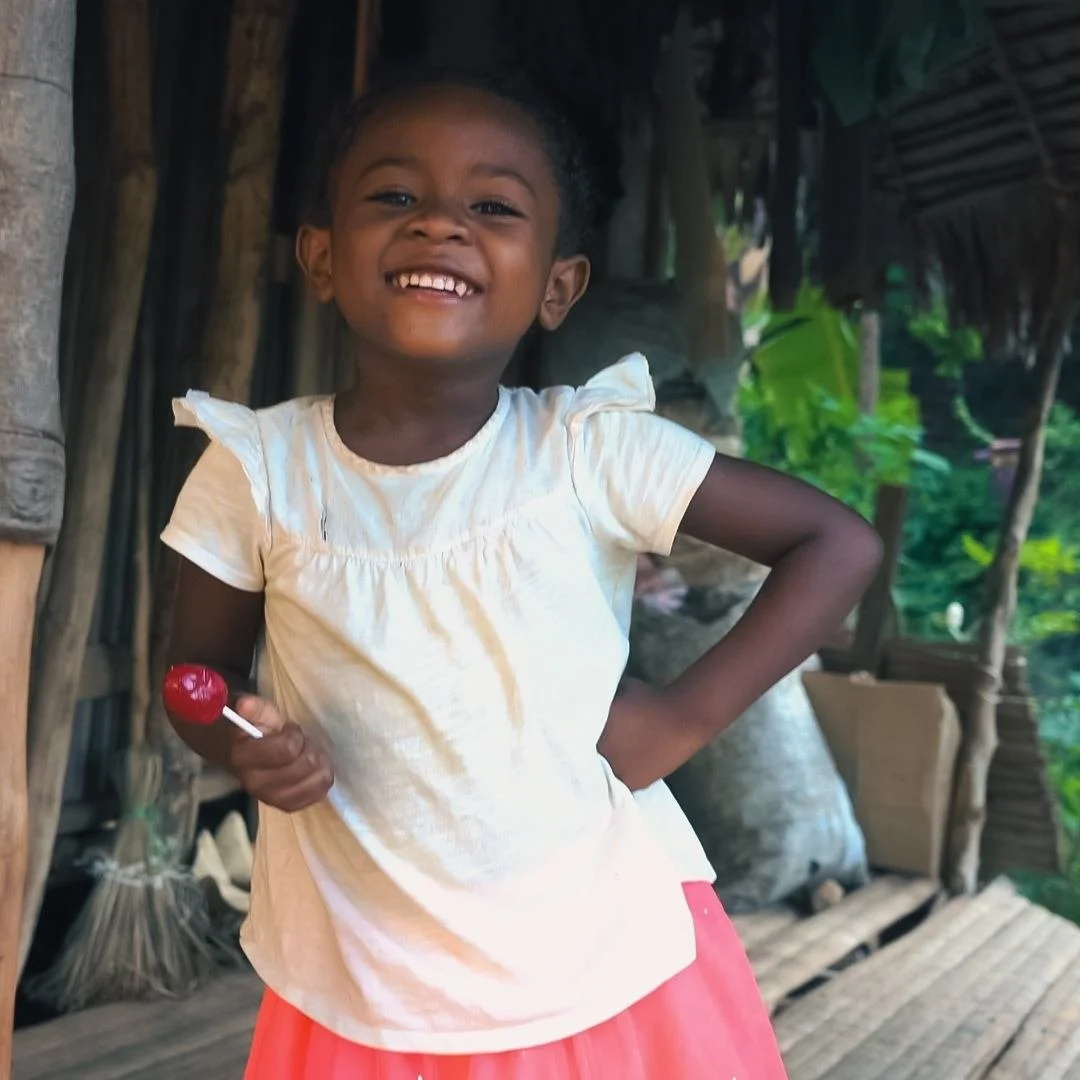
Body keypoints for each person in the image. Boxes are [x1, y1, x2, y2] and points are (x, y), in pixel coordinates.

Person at [162, 66, 882, 1080]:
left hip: (600, 965)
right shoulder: (257, 471)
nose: (439, 226)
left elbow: (839, 544)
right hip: (365, 980)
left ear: (557, 285)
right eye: (394, 198)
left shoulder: (589, 452)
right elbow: (194, 680)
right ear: (321, 258)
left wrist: (677, 722)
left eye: (492, 207)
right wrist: (242, 741)